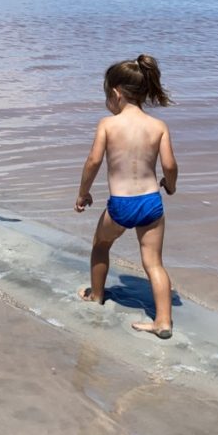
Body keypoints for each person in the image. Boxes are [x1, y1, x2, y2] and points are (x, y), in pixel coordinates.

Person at [74, 54, 178, 338]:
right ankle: (163, 321)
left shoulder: (108, 124)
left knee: (100, 245)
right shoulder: (158, 127)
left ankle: (96, 295)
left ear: (117, 93)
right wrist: (170, 185)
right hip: (150, 203)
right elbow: (169, 166)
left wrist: (83, 193)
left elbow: (93, 162)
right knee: (154, 263)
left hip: (121, 205)